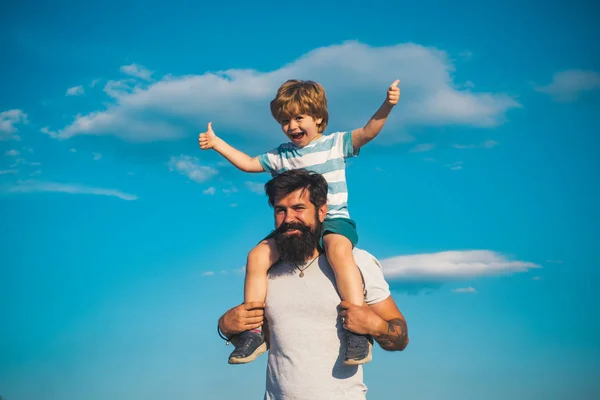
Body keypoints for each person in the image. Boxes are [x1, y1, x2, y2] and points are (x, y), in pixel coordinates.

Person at [200, 79, 400, 365]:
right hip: (294, 228)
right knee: (257, 255)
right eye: (284, 120)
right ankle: (253, 332)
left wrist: (388, 104)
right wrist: (217, 143)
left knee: (338, 252)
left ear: (318, 118)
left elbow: (369, 132)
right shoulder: (282, 155)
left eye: (298, 118)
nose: (291, 126)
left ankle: (356, 329)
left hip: (333, 221)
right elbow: (247, 164)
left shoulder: (335, 144)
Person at [217, 170, 409, 399]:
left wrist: (376, 326)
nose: (289, 219)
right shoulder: (266, 269)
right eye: (281, 210)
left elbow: (400, 339)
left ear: (322, 211)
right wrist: (225, 327)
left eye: (299, 208)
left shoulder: (357, 262)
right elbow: (264, 337)